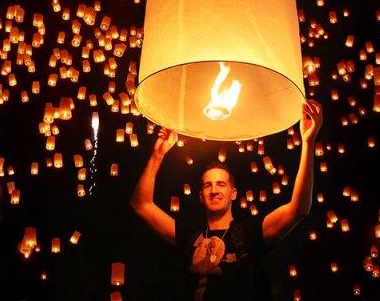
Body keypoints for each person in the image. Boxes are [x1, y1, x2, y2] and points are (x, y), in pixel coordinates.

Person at [130, 100, 323, 300]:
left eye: (221, 184)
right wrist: (157, 154)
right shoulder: (189, 237)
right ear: (201, 197)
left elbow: (299, 209)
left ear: (233, 193)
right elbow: (141, 204)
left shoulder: (250, 233)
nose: (214, 190)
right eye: (207, 185)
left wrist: (308, 143)